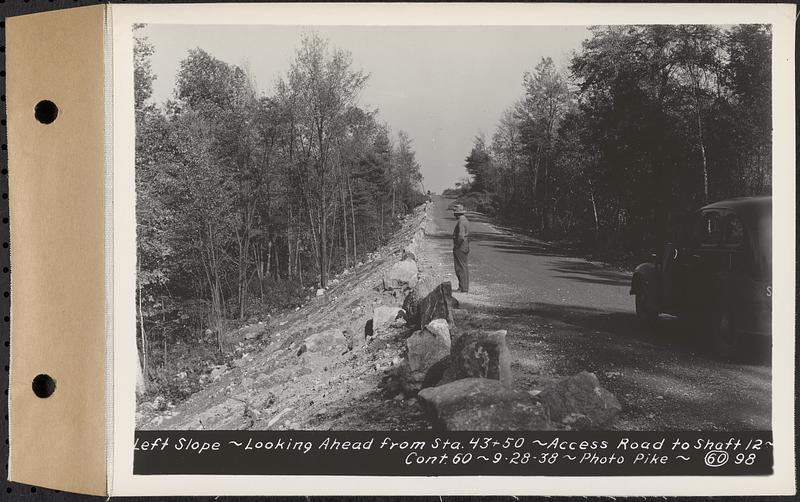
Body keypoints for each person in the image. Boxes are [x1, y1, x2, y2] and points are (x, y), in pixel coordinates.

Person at [451, 204, 470, 293]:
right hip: (465, 246)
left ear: (457, 213)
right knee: (464, 266)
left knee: (460, 267)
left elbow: (461, 236)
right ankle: (464, 287)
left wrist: (457, 245)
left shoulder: (461, 222)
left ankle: (463, 287)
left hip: (460, 247)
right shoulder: (466, 220)